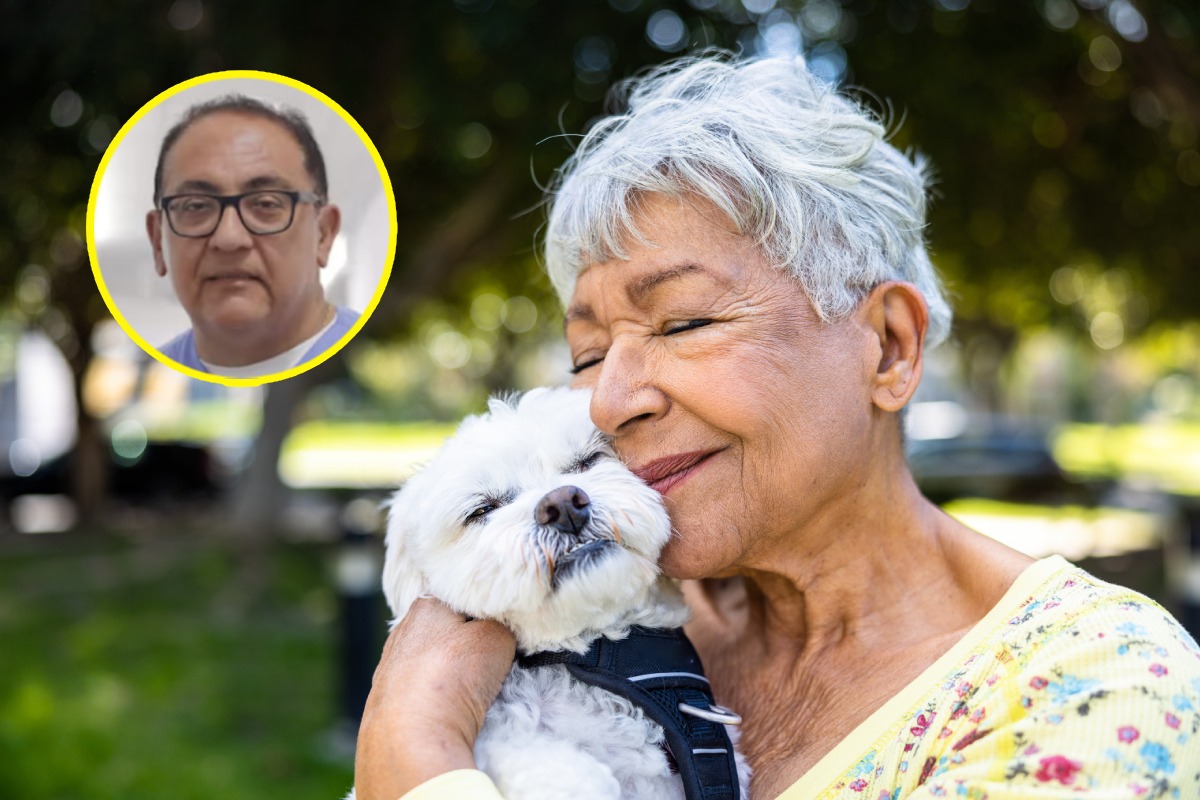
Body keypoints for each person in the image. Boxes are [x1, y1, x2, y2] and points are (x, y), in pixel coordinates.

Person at [353, 55, 1200, 799]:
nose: (611, 400)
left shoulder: (1089, 692)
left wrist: (413, 750)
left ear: (889, 346)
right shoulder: (611, 621)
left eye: (683, 324)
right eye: (586, 353)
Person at [145, 94, 359, 378]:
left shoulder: (364, 361)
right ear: (158, 242)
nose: (229, 238)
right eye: (196, 206)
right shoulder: (162, 371)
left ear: (324, 233)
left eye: (266, 204)